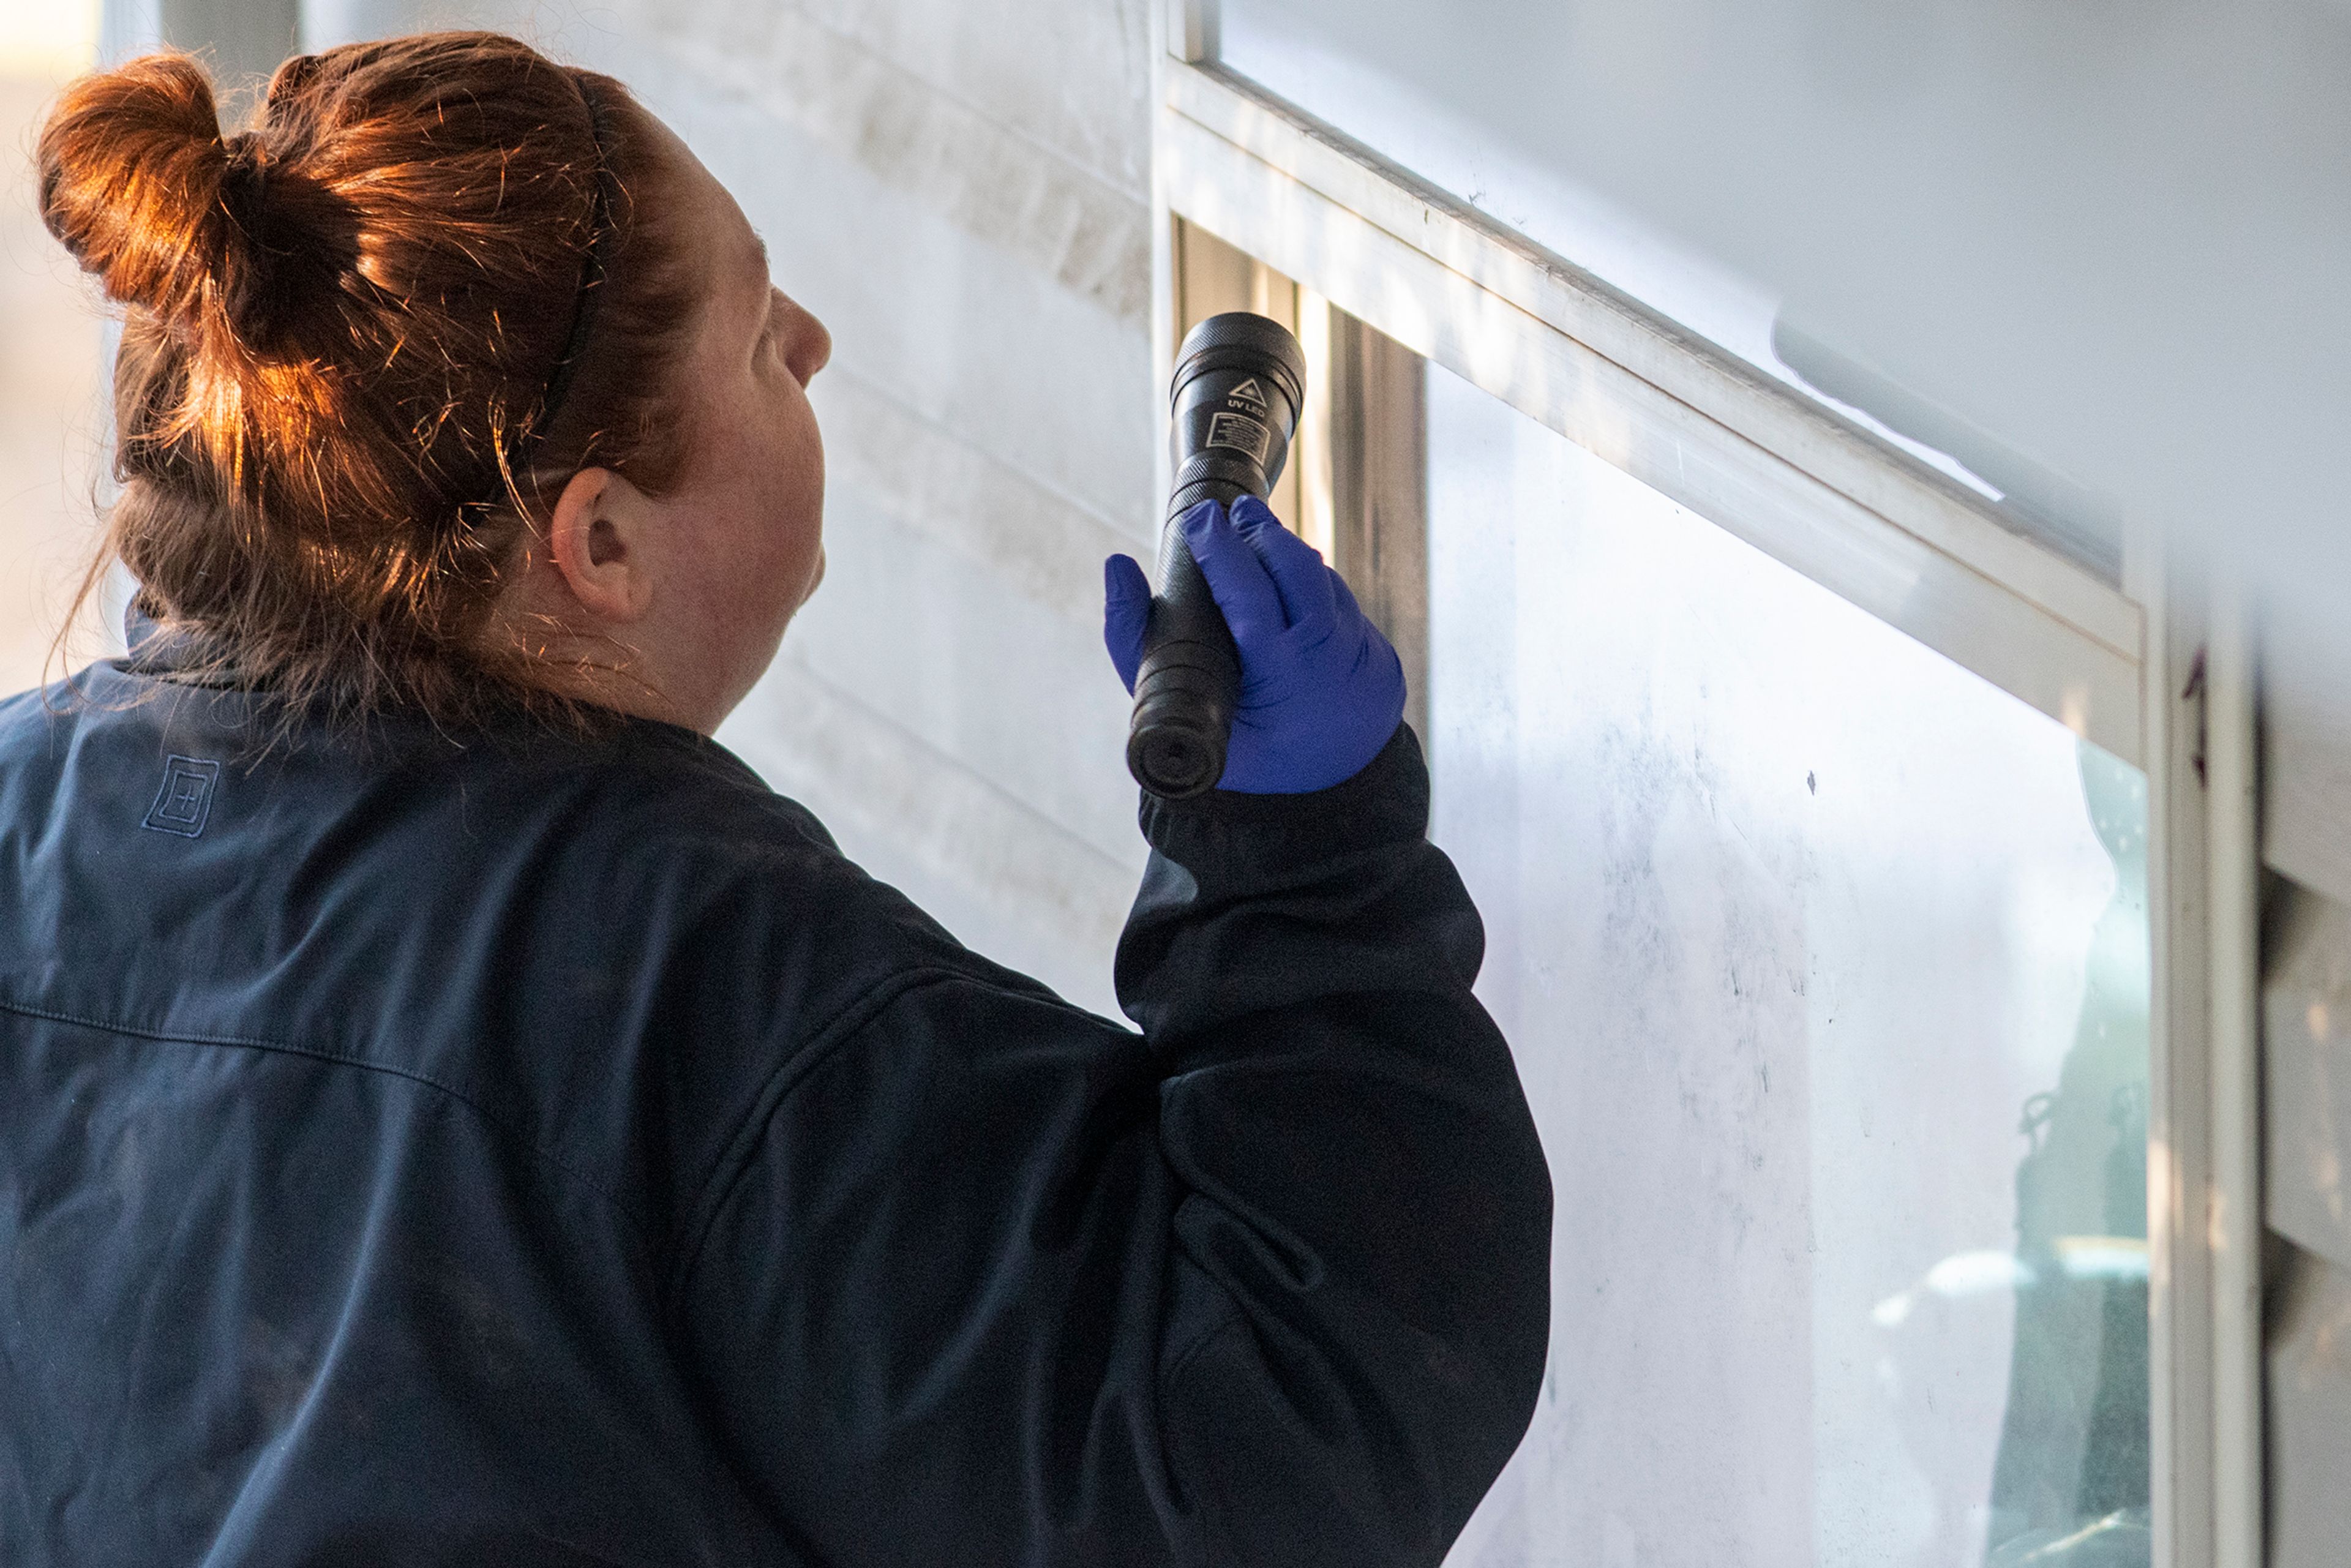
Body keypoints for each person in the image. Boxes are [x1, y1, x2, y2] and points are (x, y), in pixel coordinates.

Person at [0, 32, 1552, 1567]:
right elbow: (1263, 1452)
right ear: (599, 547)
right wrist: (1302, 878)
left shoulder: (20, 819)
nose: (810, 341)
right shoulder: (696, 993)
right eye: (753, 338)